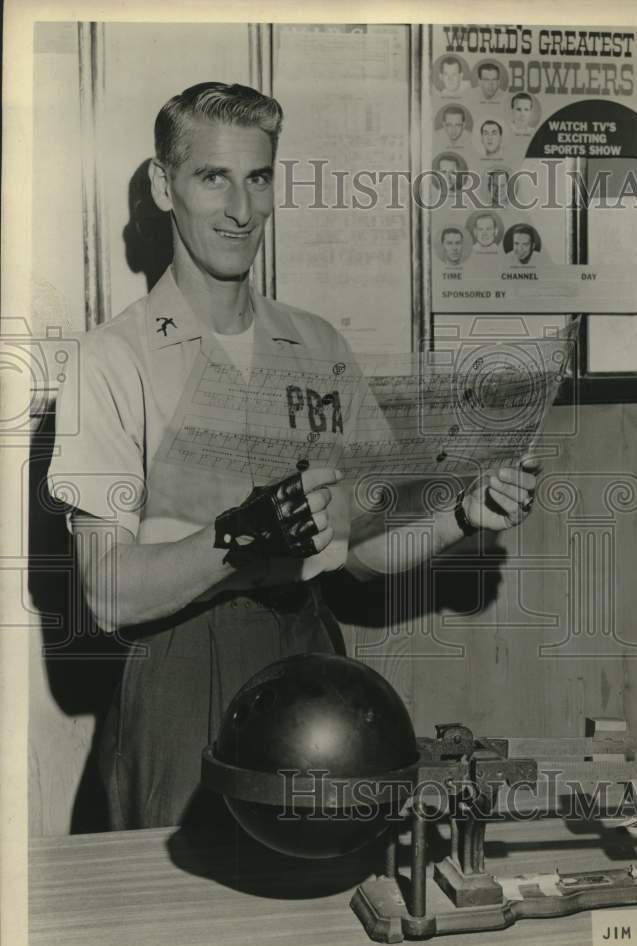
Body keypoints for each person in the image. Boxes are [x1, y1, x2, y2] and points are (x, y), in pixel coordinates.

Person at [48, 82, 540, 831]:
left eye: (258, 178)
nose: (240, 209)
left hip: (309, 657)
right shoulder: (112, 360)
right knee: (183, 895)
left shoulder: (317, 345)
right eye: (212, 177)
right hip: (182, 665)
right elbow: (108, 592)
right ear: (163, 186)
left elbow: (357, 553)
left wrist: (462, 515)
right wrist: (244, 535)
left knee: (322, 883)